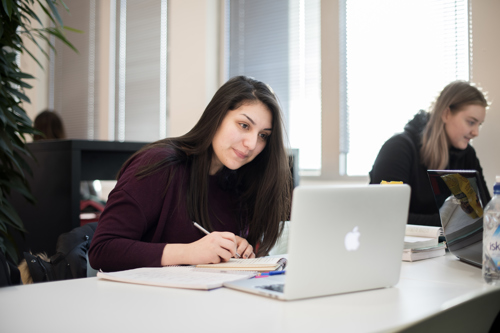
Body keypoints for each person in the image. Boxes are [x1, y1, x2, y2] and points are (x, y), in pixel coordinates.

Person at [89, 76, 292, 272]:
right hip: (145, 301)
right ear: (217, 117)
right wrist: (189, 251)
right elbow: (102, 250)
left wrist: (232, 249)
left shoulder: (241, 180)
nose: (252, 144)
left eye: (263, 135)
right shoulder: (159, 165)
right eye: (244, 125)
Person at [369, 81, 491, 226]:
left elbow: (486, 212)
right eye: (471, 122)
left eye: (479, 125)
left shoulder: (467, 155)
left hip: (448, 247)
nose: (476, 132)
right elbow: (385, 215)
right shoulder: (398, 149)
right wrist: (452, 224)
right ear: (446, 114)